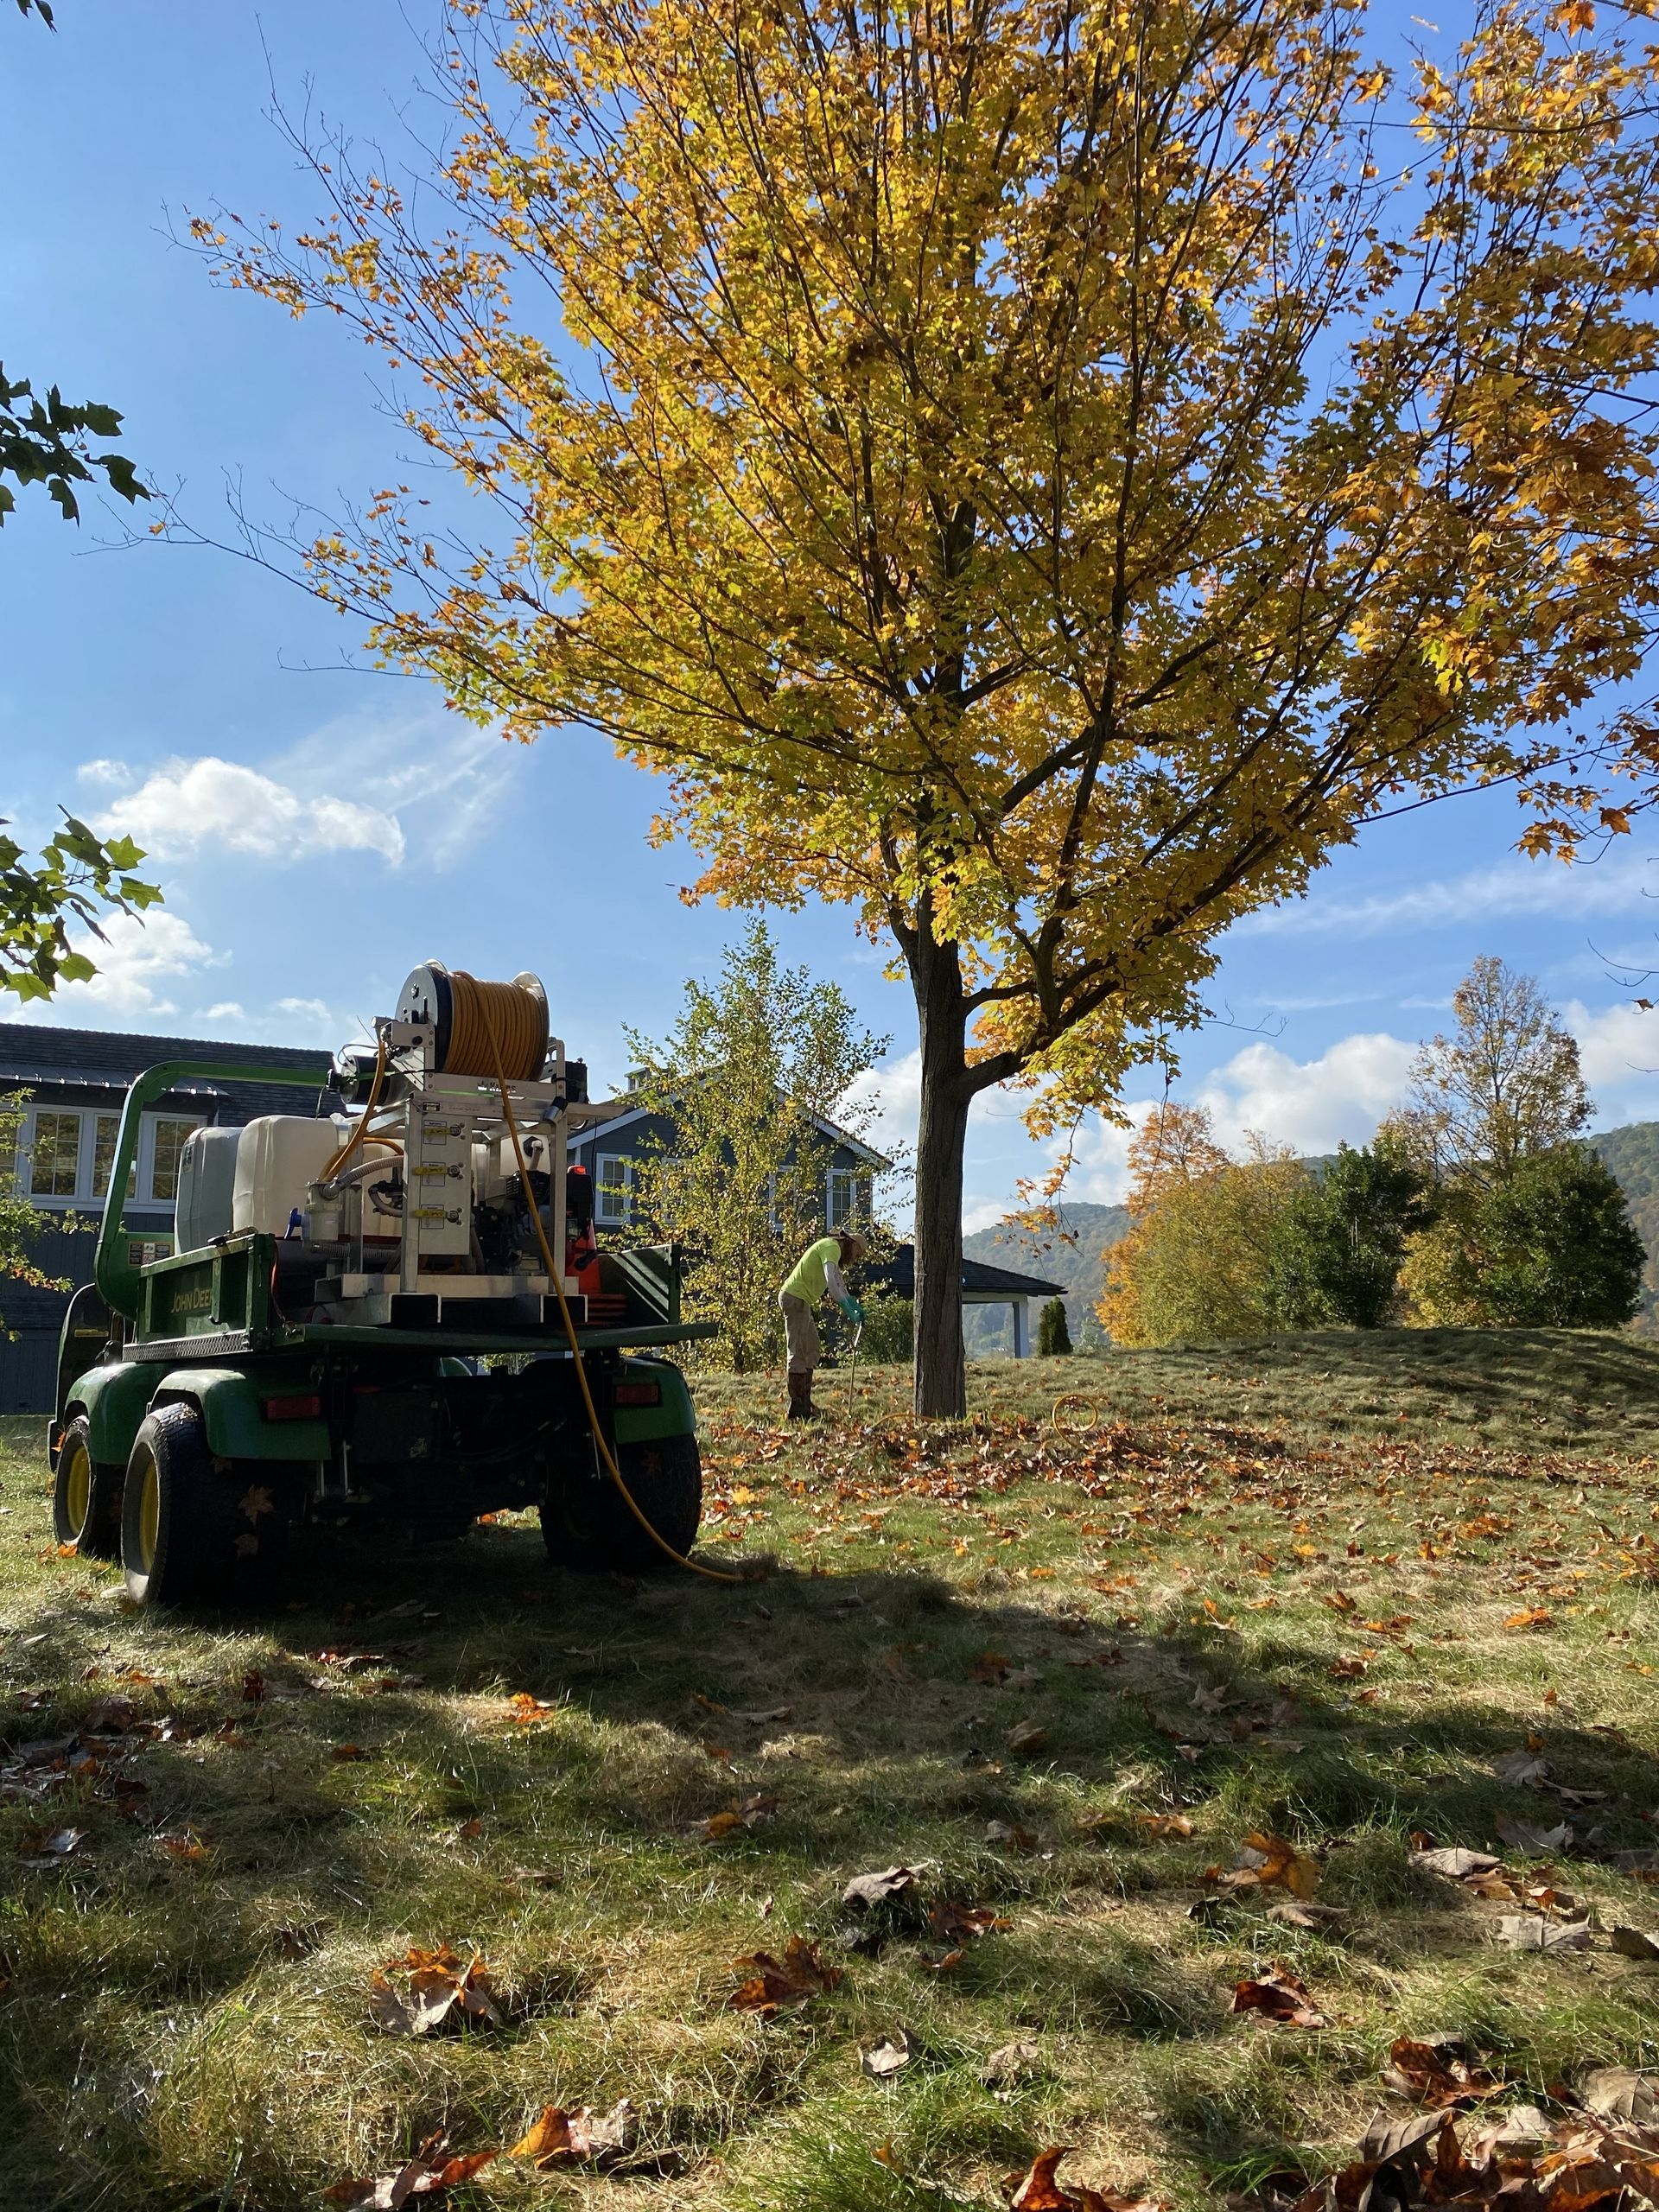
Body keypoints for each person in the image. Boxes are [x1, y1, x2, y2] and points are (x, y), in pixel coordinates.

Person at [779, 1228, 866, 1421]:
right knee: (798, 1353)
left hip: (802, 1301)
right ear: (851, 1243)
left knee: (812, 1349)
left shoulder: (832, 1252)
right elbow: (831, 1282)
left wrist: (853, 1303)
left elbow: (838, 1281)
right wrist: (846, 1307)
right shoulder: (831, 1247)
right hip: (795, 1299)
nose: (855, 1259)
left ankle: (805, 1402)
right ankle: (797, 1411)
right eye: (857, 1254)